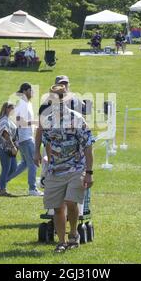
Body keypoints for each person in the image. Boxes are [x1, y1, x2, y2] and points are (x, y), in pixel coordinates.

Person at [40, 84, 95, 253]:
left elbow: (87, 146)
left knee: (71, 202)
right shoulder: (47, 120)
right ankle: (61, 242)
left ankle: (73, 235)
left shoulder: (77, 119)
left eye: (62, 98)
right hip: (56, 170)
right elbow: (47, 142)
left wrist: (89, 172)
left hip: (76, 168)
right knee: (57, 207)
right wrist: (48, 164)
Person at [8, 83, 42, 196]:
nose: (32, 93)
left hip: (25, 137)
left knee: (24, 164)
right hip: (25, 138)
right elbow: (19, 122)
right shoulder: (22, 104)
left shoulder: (27, 104)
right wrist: (35, 122)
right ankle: (32, 189)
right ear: (25, 91)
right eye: (31, 90)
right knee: (33, 163)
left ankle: (2, 181)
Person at [0, 102, 18, 196]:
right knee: (6, 169)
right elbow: (5, 134)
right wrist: (12, 146)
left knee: (13, 168)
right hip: (4, 148)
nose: (13, 110)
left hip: (9, 148)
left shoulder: (8, 119)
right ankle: (2, 189)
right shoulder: (4, 120)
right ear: (7, 109)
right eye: (12, 108)